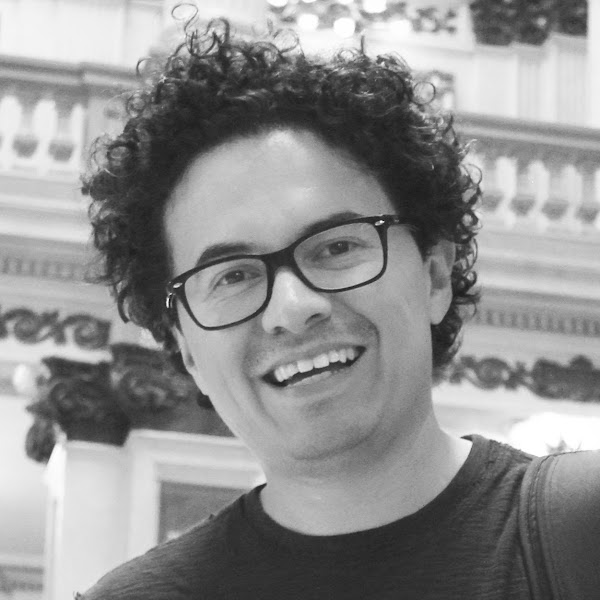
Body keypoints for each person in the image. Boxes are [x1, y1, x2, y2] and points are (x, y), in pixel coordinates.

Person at [78, 16, 541, 600]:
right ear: (186, 348)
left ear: (434, 275)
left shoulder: (579, 534)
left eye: (337, 247)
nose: (292, 308)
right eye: (234, 276)